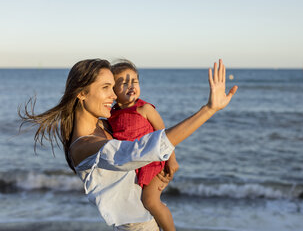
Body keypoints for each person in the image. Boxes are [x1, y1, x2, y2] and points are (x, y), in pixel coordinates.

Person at [19, 58, 237, 230]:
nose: (114, 95)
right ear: (82, 93)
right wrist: (208, 110)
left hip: (145, 220)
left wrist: (163, 168)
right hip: (136, 227)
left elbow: (140, 137)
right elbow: (141, 149)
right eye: (106, 87)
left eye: (114, 87)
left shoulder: (104, 126)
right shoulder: (84, 146)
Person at [108, 59, 179, 231]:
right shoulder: (111, 115)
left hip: (153, 165)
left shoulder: (145, 109)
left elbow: (165, 136)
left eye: (134, 81)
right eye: (124, 83)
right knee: (136, 204)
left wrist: (172, 160)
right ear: (112, 90)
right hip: (133, 167)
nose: (131, 86)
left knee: (150, 201)